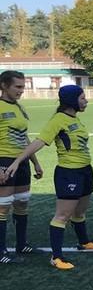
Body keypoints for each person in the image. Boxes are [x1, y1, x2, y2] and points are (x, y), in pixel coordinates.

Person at [2, 85, 93, 270]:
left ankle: (84, 242)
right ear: (72, 100)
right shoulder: (58, 120)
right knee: (62, 215)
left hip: (85, 170)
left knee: (80, 211)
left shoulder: (75, 118)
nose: (86, 101)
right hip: (69, 173)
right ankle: (56, 257)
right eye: (82, 98)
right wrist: (18, 161)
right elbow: (39, 141)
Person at [0, 71, 44, 264]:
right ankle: (1, 252)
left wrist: (35, 162)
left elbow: (24, 138)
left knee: (22, 202)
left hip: (22, 162)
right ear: (4, 85)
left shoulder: (20, 107)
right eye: (17, 87)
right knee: (3, 206)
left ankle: (22, 244)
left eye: (23, 87)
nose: (21, 91)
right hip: (4, 160)